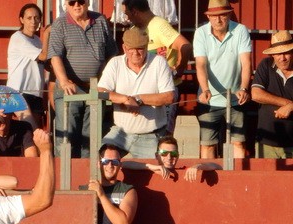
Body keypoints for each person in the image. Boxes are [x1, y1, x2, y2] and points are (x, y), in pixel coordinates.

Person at [48, 0, 117, 158]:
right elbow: (55, 56)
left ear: (87, 3)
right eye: (72, 2)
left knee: (92, 141)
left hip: (96, 89)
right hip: (70, 90)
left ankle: (88, 173)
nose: (76, 5)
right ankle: (62, 174)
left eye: (80, 1)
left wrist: (107, 83)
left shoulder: (100, 21)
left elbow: (112, 55)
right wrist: (64, 81)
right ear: (66, 4)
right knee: (66, 139)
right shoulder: (59, 24)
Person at [97, 27, 175, 158]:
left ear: (146, 47)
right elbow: (100, 91)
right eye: (131, 49)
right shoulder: (115, 63)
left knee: (153, 169)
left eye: (140, 48)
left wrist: (138, 99)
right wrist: (125, 99)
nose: (135, 53)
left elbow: (169, 96)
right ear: (124, 48)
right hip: (120, 133)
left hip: (150, 135)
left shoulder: (159, 62)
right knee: (102, 159)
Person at [120, 0, 192, 134]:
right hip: (145, 93)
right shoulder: (135, 30)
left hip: (164, 92)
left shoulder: (159, 25)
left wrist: (178, 70)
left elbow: (185, 46)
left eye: (127, 13)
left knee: (163, 135)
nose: (126, 18)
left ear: (134, 11)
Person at [192, 0, 252, 159]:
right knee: (207, 144)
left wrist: (244, 88)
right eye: (214, 16)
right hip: (209, 99)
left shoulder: (240, 30)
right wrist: (205, 89)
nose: (218, 20)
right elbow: (201, 64)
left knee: (238, 143)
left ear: (229, 14)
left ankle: (238, 174)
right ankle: (210, 174)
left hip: (236, 99)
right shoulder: (200, 33)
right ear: (208, 17)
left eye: (222, 15)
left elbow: (246, 63)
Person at [251, 30, 293, 159]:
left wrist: (291, 106)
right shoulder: (266, 65)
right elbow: (256, 94)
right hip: (266, 142)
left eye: (286, 52)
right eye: (278, 53)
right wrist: (287, 103)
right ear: (273, 54)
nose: (282, 58)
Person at [6, 3, 49, 127]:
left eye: (36, 18)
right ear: (22, 20)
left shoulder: (37, 41)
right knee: (32, 129)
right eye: (29, 18)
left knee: (34, 132)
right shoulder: (18, 37)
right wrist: (47, 34)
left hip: (36, 93)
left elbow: (45, 62)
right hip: (19, 92)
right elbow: (43, 56)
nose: (33, 21)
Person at [121, 134, 222, 181]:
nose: (169, 157)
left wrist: (198, 166)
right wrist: (151, 167)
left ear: (178, 156)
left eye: (173, 154)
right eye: (164, 153)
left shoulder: (183, 171)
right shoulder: (149, 169)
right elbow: (123, 164)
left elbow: (217, 166)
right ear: (157, 155)